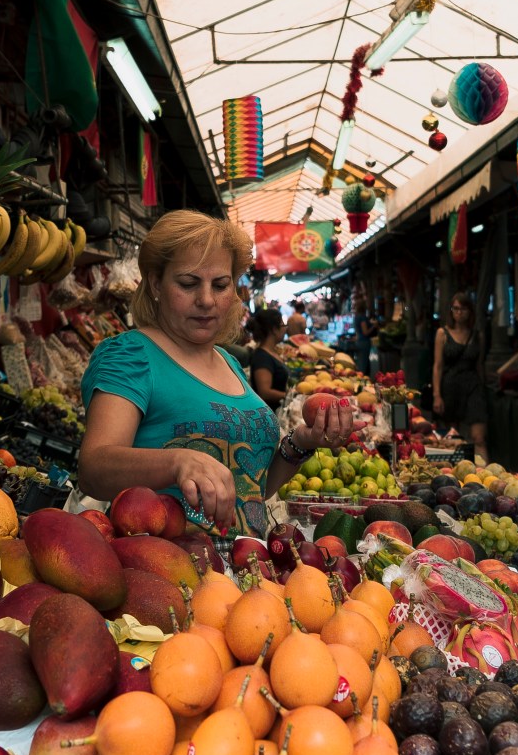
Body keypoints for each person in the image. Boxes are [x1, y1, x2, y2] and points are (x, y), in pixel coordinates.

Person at [78, 210, 359, 539]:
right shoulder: (131, 356)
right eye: (188, 283)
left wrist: (300, 443)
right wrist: (178, 462)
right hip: (166, 573)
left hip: (243, 574)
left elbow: (250, 490)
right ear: (156, 283)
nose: (206, 300)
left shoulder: (229, 363)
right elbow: (93, 469)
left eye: (221, 284)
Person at [432, 291, 489, 463]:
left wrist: (484, 389)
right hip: (450, 386)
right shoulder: (442, 333)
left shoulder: (477, 335)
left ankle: (487, 476)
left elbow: (480, 365)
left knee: (479, 438)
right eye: (455, 309)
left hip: (473, 386)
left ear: (469, 311)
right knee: (452, 438)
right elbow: (438, 365)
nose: (458, 313)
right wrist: (436, 395)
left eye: (463, 309)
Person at [247, 308, 288, 409]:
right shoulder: (262, 357)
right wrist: (290, 395)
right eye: (283, 325)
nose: (285, 328)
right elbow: (265, 392)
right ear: (274, 329)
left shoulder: (271, 352)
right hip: (271, 415)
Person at [353, 301, 377, 375]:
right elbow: (365, 332)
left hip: (359, 341)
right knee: (363, 365)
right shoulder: (362, 317)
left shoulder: (356, 317)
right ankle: (361, 381)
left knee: (361, 363)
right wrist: (374, 326)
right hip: (364, 343)